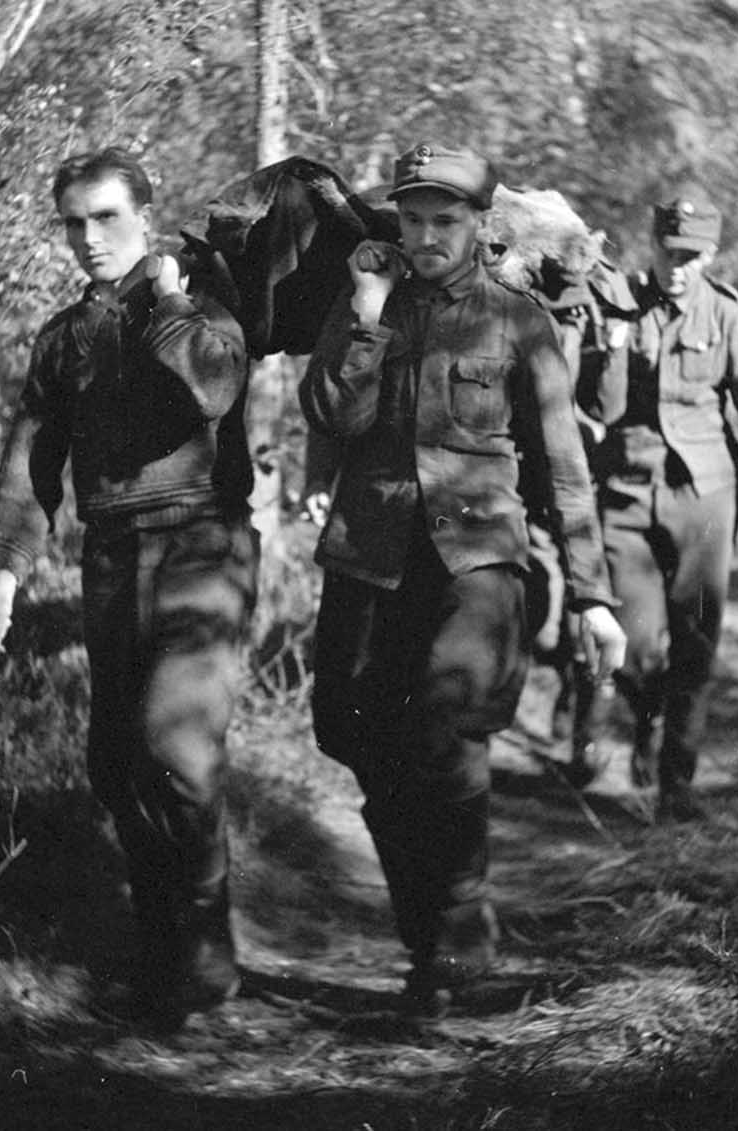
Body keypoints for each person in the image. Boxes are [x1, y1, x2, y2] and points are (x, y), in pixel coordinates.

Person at [299, 141, 627, 1013]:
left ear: (482, 226)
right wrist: (366, 317)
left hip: (477, 557)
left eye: (446, 220)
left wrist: (593, 596)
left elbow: (564, 471)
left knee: (445, 732)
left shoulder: (521, 322)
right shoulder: (367, 302)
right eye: (413, 218)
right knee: (350, 731)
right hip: (369, 550)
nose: (427, 236)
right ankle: (429, 930)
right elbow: (332, 412)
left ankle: (456, 932)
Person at [0, 147, 257, 1028]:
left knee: (179, 748)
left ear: (145, 215)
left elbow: (212, 383)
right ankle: (167, 950)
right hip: (114, 555)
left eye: (108, 219)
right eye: (74, 223)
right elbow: (29, 469)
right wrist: (1, 577)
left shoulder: (202, 307)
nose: (89, 239)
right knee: (120, 762)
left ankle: (204, 956)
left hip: (203, 546)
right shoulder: (63, 338)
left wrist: (165, 298)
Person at [582, 183, 738, 821]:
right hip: (625, 494)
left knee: (696, 646)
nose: (679, 269)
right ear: (651, 246)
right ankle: (644, 717)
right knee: (632, 643)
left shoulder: (728, 316)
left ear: (710, 257)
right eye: (670, 253)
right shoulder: (615, 303)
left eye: (693, 257)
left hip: (705, 503)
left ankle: (676, 788)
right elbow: (578, 397)